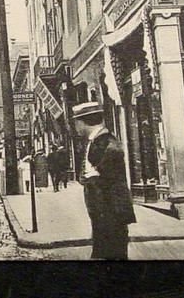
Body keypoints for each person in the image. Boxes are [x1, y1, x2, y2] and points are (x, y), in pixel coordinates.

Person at [72, 105, 136, 260]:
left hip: (111, 211)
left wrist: (92, 176)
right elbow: (85, 175)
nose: (75, 127)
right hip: (102, 212)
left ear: (83, 122)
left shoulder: (107, 142)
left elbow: (109, 176)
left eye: (76, 122)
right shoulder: (95, 141)